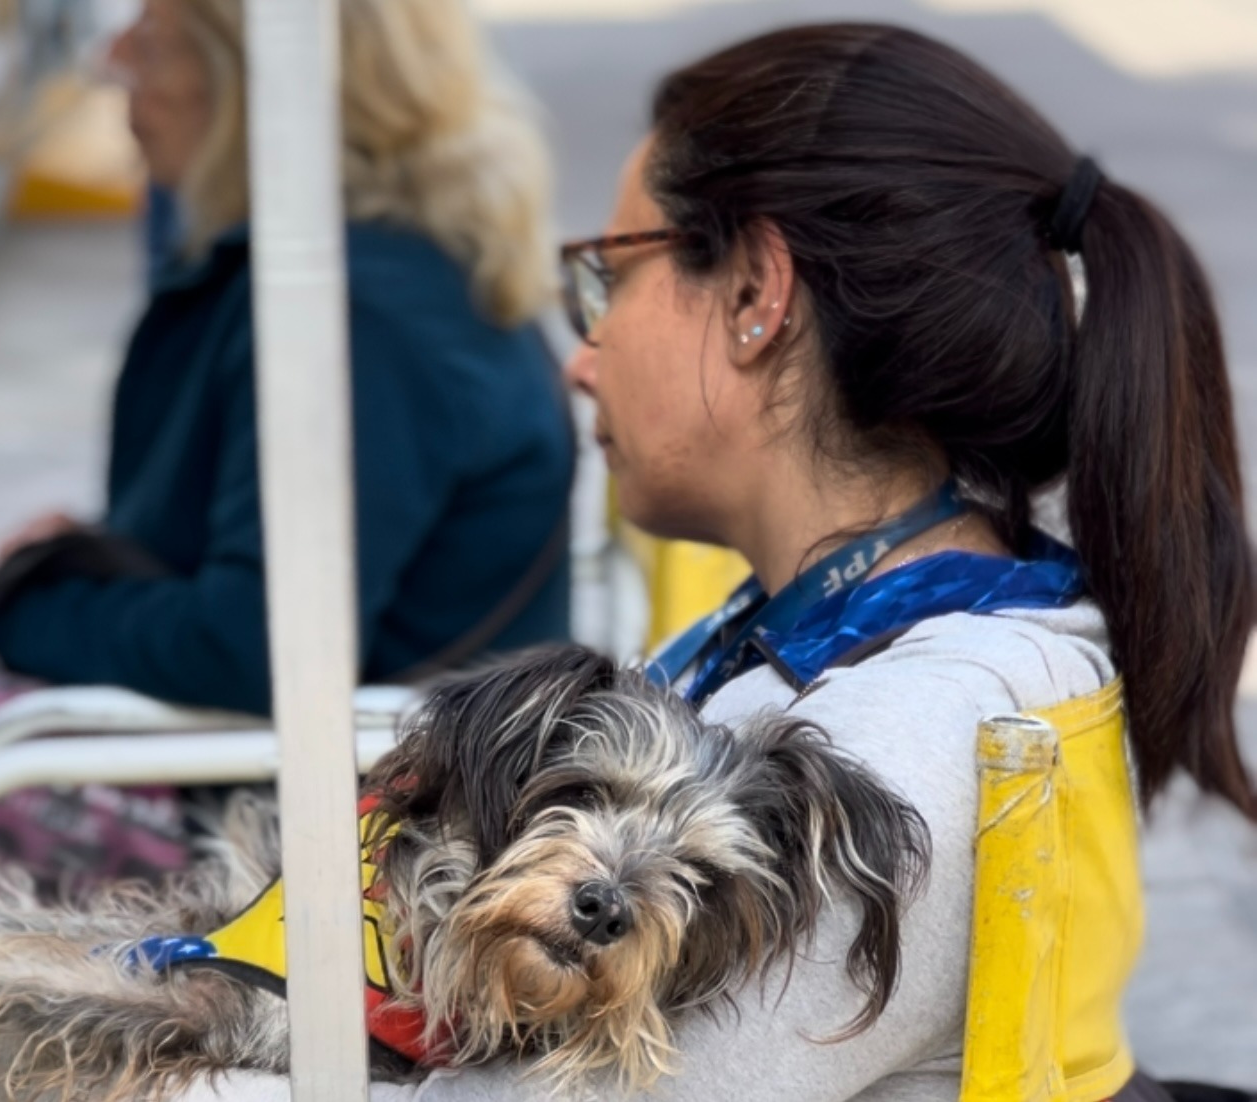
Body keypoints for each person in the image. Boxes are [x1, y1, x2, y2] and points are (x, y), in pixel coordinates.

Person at [190, 21, 1257, 1102]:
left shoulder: (902, 754)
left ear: (756, 298)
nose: (582, 364)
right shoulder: (844, 627)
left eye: (608, 279)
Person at [0, 0, 572, 890]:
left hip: (324, 843)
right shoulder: (386, 270)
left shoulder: (347, 313)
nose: (116, 57)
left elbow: (254, 646)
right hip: (310, 783)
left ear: (246, 82)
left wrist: (26, 596)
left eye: (156, 33)